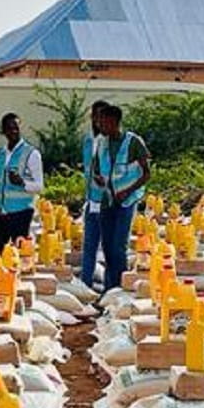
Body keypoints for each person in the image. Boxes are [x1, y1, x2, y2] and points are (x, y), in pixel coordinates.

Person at [88, 103, 150, 292]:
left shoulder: (133, 142)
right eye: (99, 122)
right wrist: (99, 180)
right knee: (107, 247)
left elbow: (146, 174)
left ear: (115, 122)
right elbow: (98, 170)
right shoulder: (100, 143)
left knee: (118, 246)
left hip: (127, 202)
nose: (101, 126)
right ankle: (109, 289)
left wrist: (128, 190)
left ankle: (120, 288)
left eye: (105, 122)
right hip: (107, 200)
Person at [0, 112, 44, 253]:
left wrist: (22, 182)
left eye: (16, 128)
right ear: (3, 131)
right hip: (2, 212)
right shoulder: (1, 154)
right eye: (9, 128)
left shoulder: (31, 154)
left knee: (19, 257)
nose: (13, 131)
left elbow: (39, 186)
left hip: (22, 213)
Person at [78, 101, 112, 287]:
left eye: (102, 116)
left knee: (109, 249)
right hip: (92, 201)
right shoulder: (89, 141)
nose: (99, 120)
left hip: (109, 202)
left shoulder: (114, 142)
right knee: (89, 246)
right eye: (96, 116)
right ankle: (86, 284)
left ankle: (109, 287)